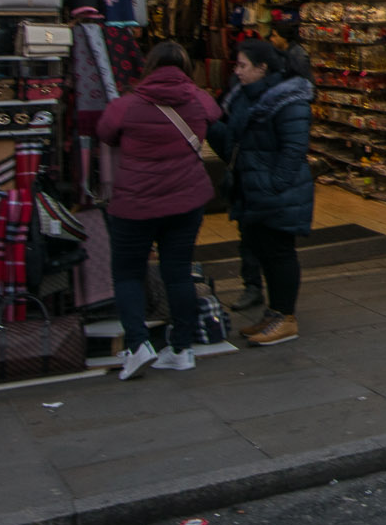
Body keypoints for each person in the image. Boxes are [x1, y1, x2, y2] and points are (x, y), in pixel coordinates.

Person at [96, 41, 220, 379]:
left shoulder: (126, 105)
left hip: (136, 203)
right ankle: (182, 348)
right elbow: (215, 115)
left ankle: (137, 345)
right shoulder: (200, 99)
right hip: (186, 200)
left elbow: (105, 132)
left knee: (128, 273)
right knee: (177, 273)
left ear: (149, 66)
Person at [210, 39, 314, 346]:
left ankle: (286, 318)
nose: (237, 71)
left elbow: (294, 148)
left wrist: (274, 185)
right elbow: (233, 143)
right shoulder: (243, 97)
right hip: (252, 189)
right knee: (265, 252)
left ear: (262, 67)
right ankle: (274, 313)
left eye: (243, 65)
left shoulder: (288, 99)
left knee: (279, 253)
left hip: (277, 192)